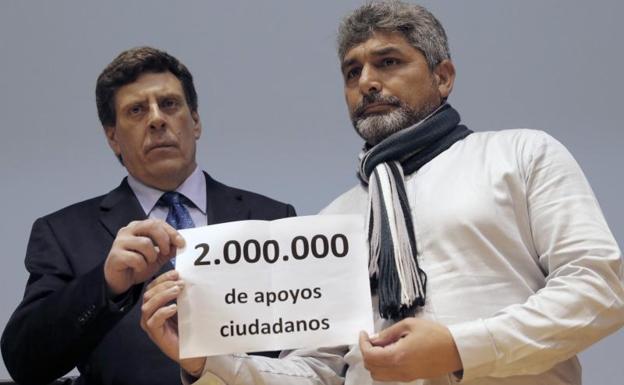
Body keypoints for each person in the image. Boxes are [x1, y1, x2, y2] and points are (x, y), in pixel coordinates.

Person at [141, 2, 624, 385]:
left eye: (388, 62)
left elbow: (600, 289)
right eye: (352, 73)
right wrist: (207, 363)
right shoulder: (334, 222)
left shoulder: (520, 154)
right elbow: (319, 373)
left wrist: (459, 348)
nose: (367, 82)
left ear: (443, 76)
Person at [0, 46, 295, 385]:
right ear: (112, 137)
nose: (156, 119)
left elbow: (308, 353)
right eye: (137, 110)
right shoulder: (64, 233)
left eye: (169, 104)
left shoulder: (272, 219)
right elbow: (25, 362)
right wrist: (106, 285)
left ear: (195, 121)